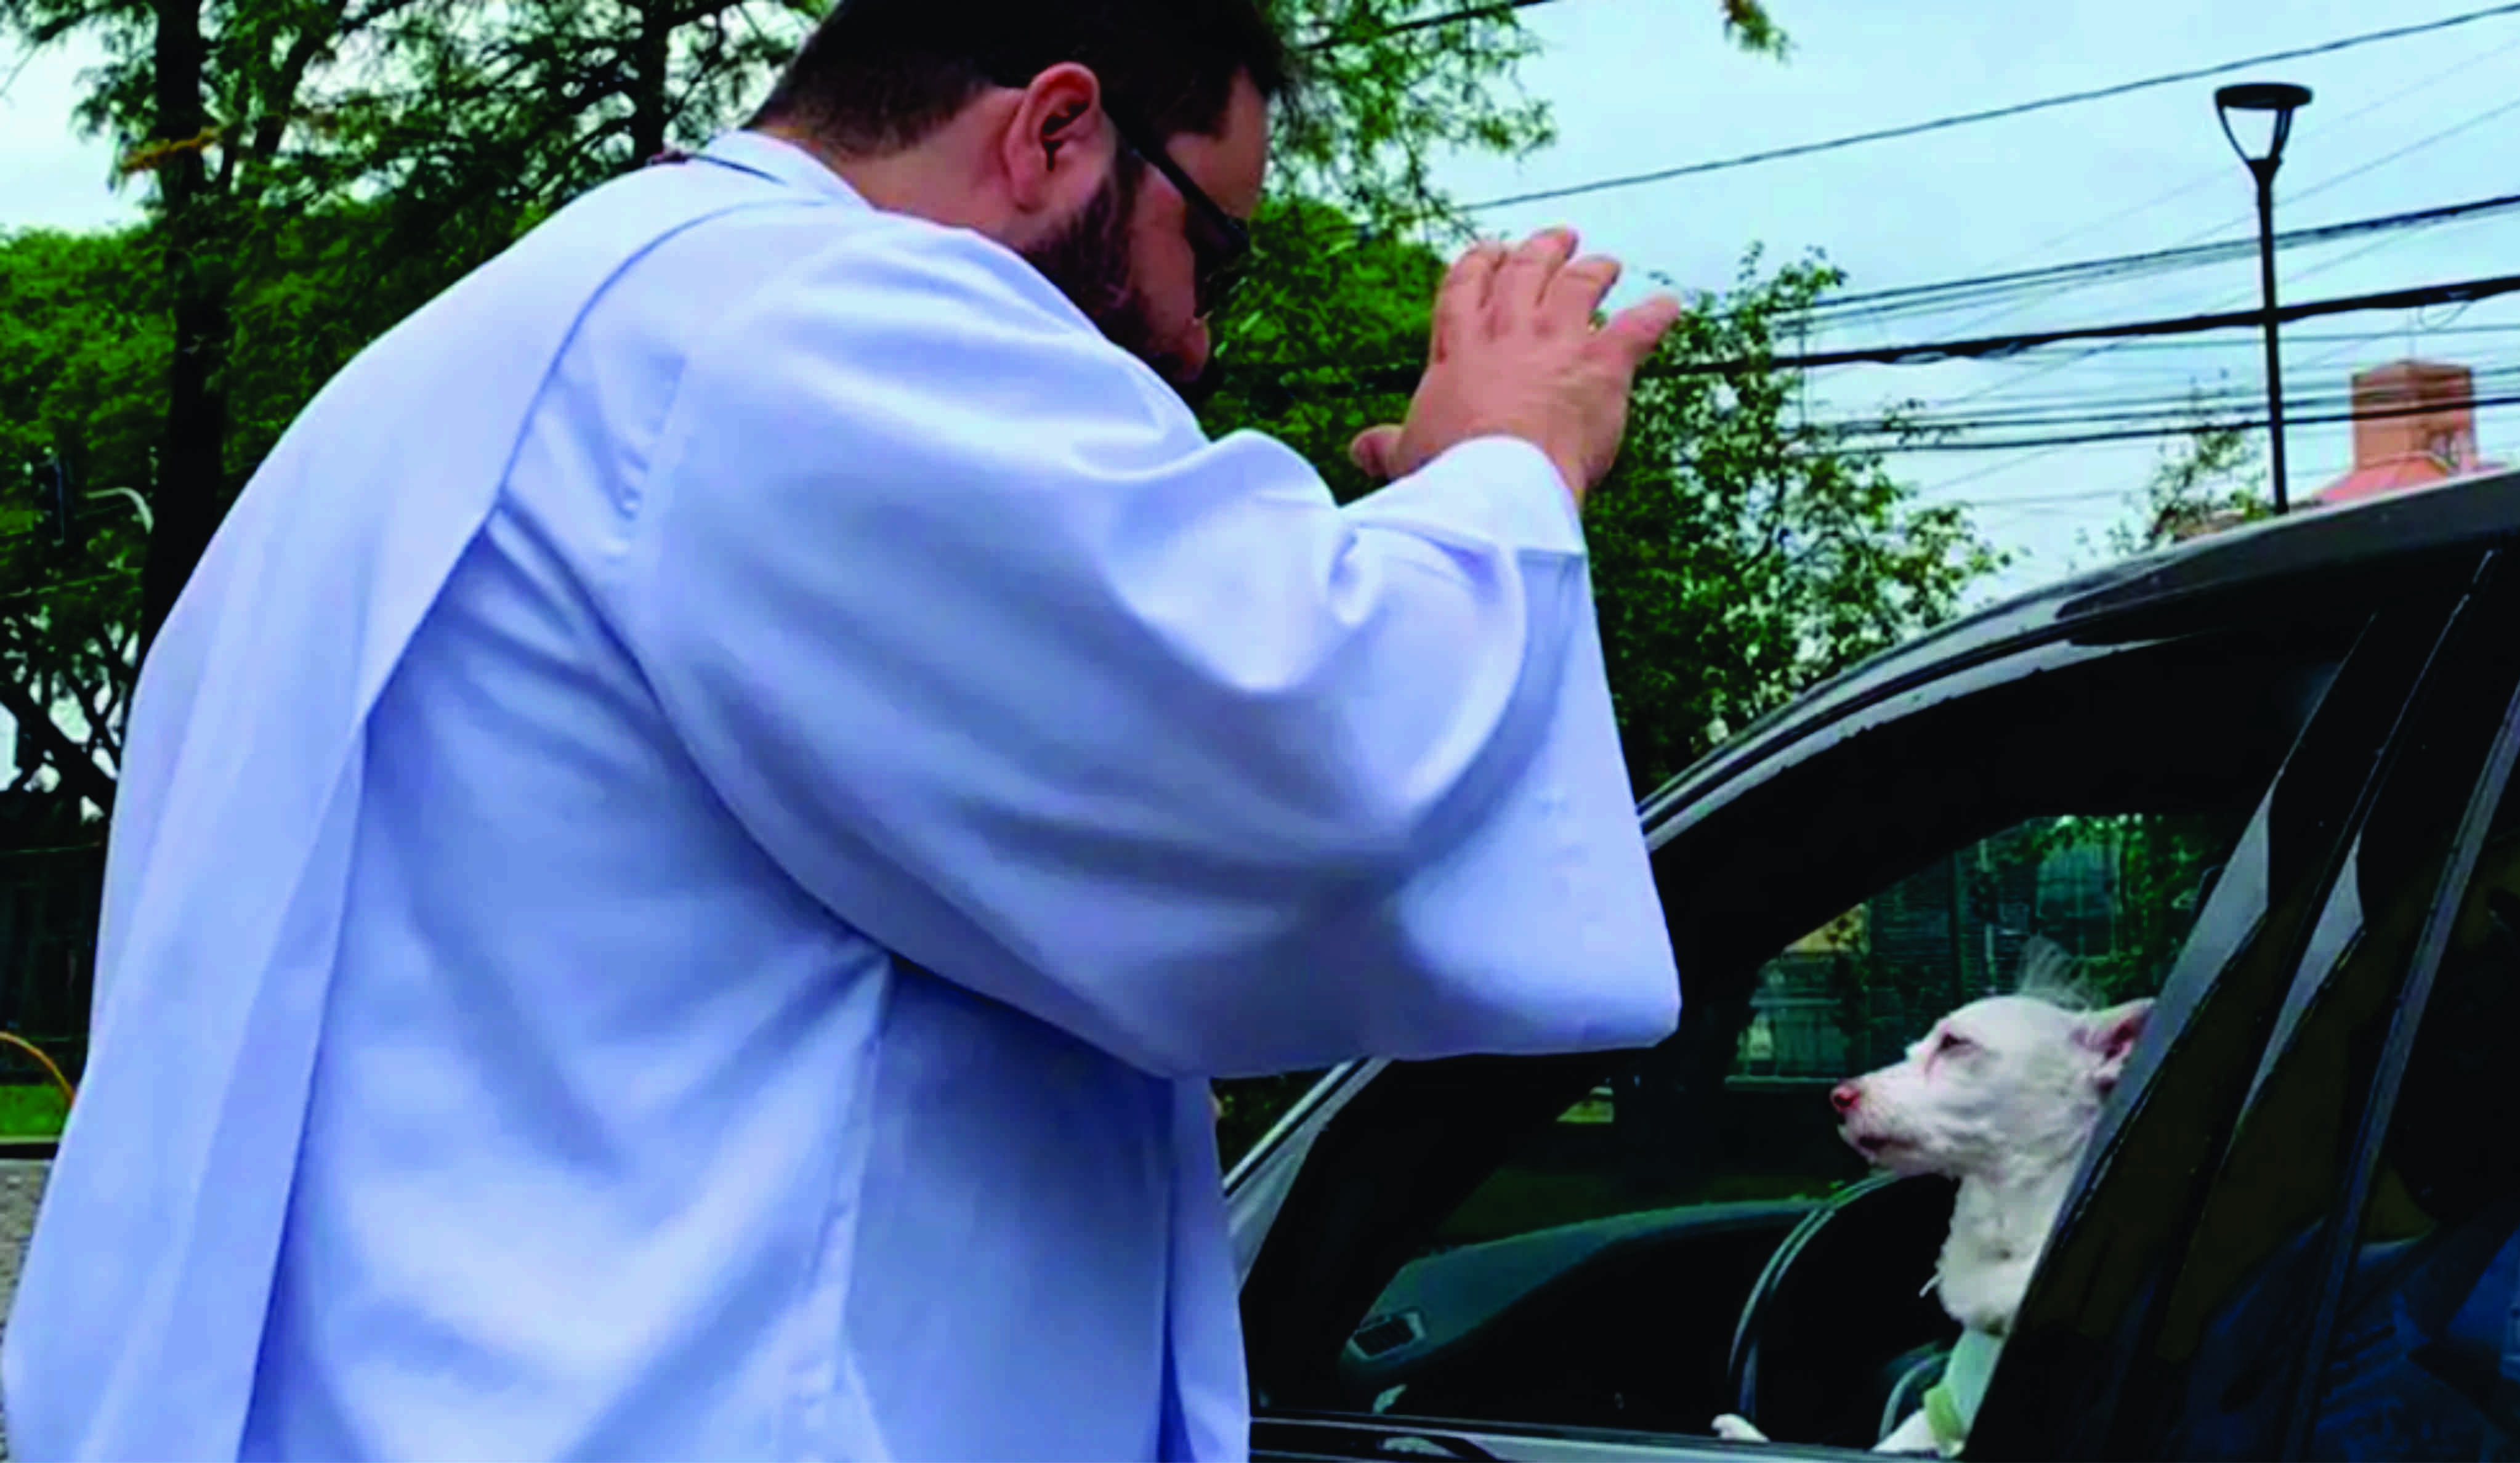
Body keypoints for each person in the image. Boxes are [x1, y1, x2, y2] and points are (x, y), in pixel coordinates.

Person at [2, 1, 1687, 1458]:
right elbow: (1298, 759)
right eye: (1214, 251)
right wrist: (1505, 475)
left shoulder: (457, 375)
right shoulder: (810, 331)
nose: (1195, 340)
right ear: (1055, 130)